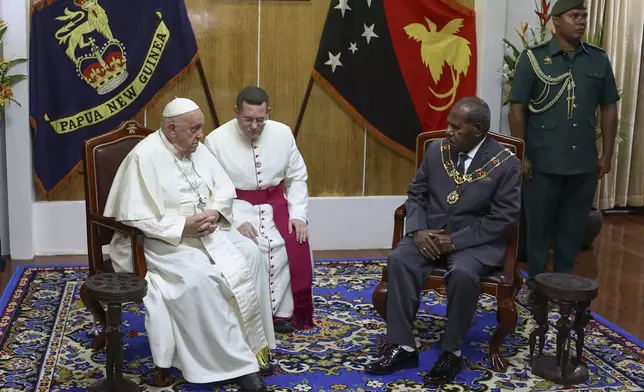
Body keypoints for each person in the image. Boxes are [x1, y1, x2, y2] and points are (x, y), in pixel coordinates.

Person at [103, 97, 276, 392]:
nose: (201, 136)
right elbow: (135, 217)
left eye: (201, 129)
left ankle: (256, 347)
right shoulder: (144, 157)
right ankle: (235, 364)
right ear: (172, 129)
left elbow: (223, 189)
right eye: (194, 130)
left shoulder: (199, 150)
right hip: (162, 243)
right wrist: (183, 225)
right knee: (201, 278)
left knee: (251, 254)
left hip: (207, 233)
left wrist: (214, 212)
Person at [364, 97, 521, 385]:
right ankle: (402, 345)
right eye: (449, 124)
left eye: (456, 127)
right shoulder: (437, 150)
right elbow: (417, 193)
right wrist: (419, 230)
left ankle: (452, 351)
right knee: (399, 259)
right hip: (431, 234)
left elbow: (503, 219)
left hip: (475, 242)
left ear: (478, 129)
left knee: (462, 273)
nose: (447, 131)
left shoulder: (506, 164)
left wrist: (455, 241)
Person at [509, 0, 619, 294]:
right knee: (539, 232)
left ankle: (564, 288)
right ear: (556, 21)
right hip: (542, 164)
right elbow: (517, 109)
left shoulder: (597, 59)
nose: (581, 21)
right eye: (574, 16)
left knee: (572, 230)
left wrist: (606, 154)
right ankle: (535, 287)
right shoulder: (534, 59)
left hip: (583, 163)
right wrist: (523, 156)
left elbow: (609, 108)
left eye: (584, 16)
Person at [204, 86, 314, 334]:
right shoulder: (216, 140)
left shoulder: (283, 134)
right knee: (255, 246)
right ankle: (253, 313)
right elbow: (211, 191)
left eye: (260, 120)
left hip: (277, 204)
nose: (254, 126)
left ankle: (283, 313)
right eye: (248, 119)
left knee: (292, 240)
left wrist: (298, 215)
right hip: (237, 206)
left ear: (269, 113)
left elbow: (297, 178)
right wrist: (232, 221)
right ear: (236, 112)